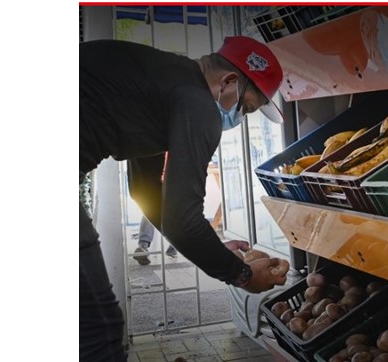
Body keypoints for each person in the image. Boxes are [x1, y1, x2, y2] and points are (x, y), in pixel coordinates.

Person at [80, 36, 287, 361]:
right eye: (246, 107)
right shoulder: (198, 105)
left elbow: (145, 192)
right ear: (229, 81)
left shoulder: (167, 81)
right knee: (98, 330)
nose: (240, 118)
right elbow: (182, 220)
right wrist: (242, 275)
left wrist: (216, 250)